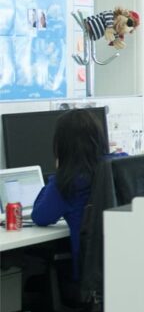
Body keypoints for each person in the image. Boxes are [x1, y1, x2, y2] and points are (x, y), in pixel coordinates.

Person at [31, 109, 108, 280]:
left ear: (62, 144)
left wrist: (59, 173)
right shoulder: (118, 165)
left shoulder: (67, 181)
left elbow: (40, 216)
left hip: (91, 273)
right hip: (124, 261)